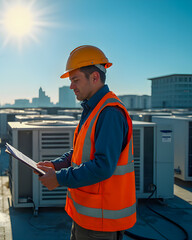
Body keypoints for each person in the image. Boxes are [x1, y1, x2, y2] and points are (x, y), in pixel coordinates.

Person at [36, 45, 136, 240]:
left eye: (75, 80)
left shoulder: (109, 113)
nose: (71, 86)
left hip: (101, 221)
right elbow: (80, 151)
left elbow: (102, 167)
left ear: (94, 78)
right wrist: (56, 165)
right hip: (88, 217)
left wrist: (58, 178)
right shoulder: (93, 108)